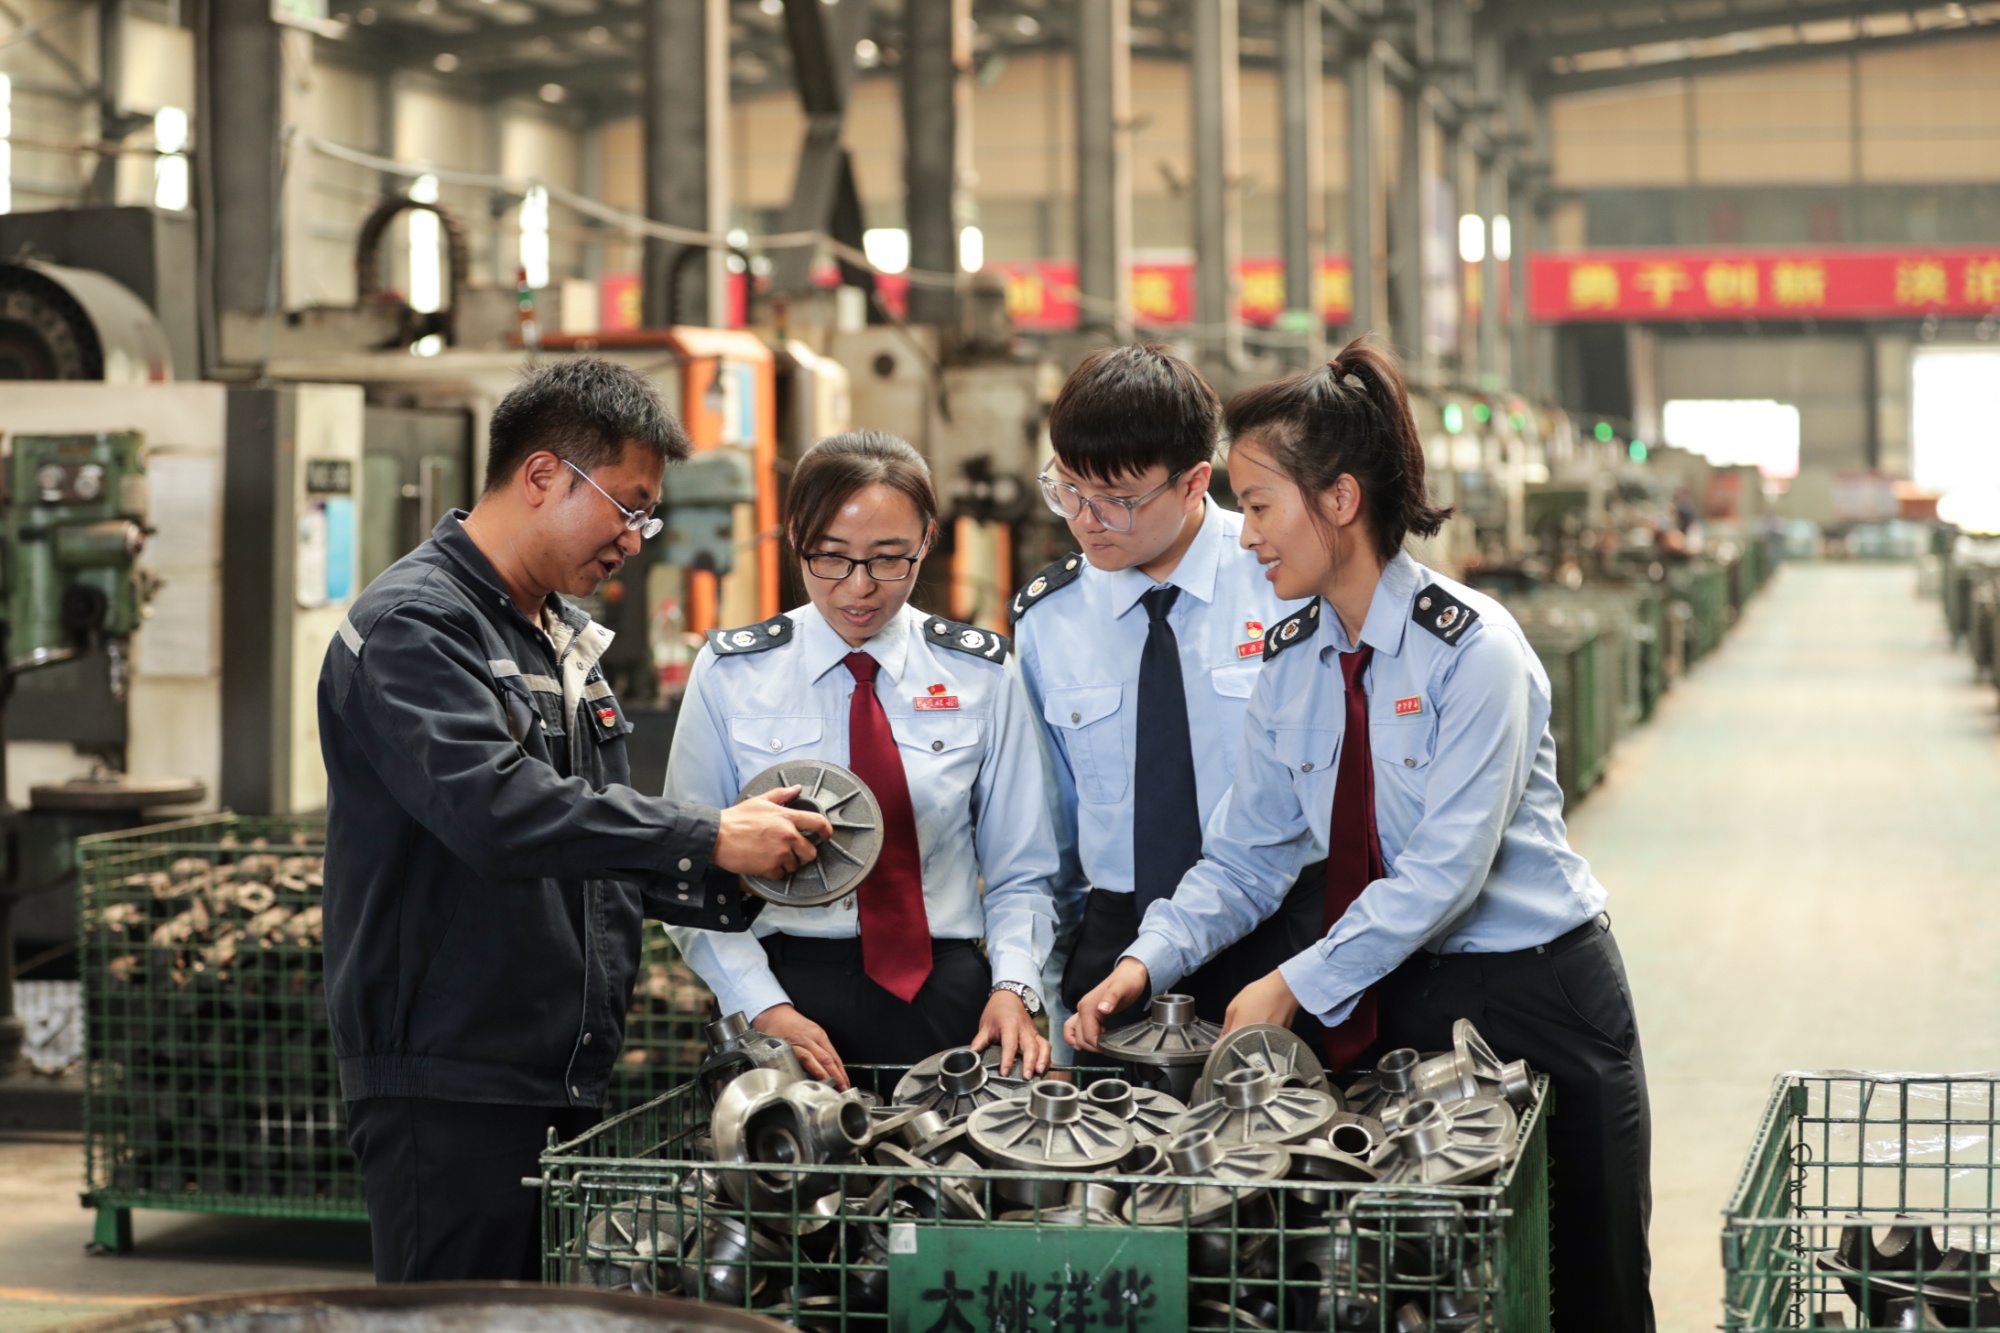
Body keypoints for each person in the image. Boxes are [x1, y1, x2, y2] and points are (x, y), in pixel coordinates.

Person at [1067, 339, 1654, 1331]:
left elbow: (1443, 873)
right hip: (1395, 993)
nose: (1246, 536)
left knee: (1585, 1286)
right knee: (1425, 1290)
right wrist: (1145, 959)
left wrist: (1292, 981)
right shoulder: (1293, 660)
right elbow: (1245, 857)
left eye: (1260, 506)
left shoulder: (1474, 652)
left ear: (1338, 500)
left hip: (1536, 995)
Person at [319, 358, 831, 1285]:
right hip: (451, 1086)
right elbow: (498, 812)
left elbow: (586, 847)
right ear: (543, 474)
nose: (635, 539)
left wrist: (745, 877)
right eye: (628, 507)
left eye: (647, 516)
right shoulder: (413, 628)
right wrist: (707, 835)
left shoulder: (557, 637)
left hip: (553, 1074)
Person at [664, 431, 1059, 1088]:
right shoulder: (732, 674)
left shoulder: (980, 674)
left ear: (926, 541)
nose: (860, 587)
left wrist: (1013, 986)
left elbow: (1022, 870)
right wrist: (761, 1005)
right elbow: (691, 868)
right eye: (831, 557)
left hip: (945, 994)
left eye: (889, 559)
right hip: (777, 989)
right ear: (796, 538)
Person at [1010, 343, 1314, 1040]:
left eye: (1118, 501)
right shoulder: (1048, 619)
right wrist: (1046, 991)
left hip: (1278, 931)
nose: (1088, 520)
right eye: (1068, 490)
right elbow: (1046, 839)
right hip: (1117, 933)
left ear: (1194, 482)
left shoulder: (1283, 584)